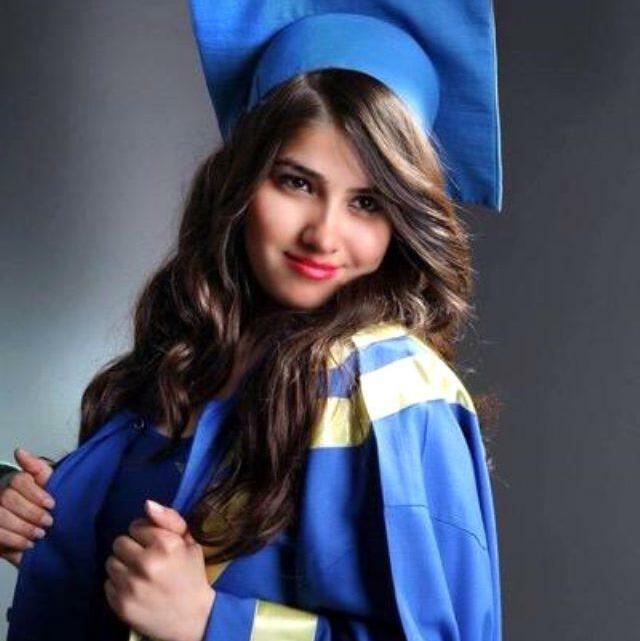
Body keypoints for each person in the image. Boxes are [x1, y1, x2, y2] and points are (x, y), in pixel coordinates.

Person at [1, 3, 503, 640]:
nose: (323, 234)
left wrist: (215, 622)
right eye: (297, 183)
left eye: (366, 203)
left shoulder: (387, 385)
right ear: (240, 181)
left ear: (402, 222)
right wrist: (38, 509)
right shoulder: (188, 358)